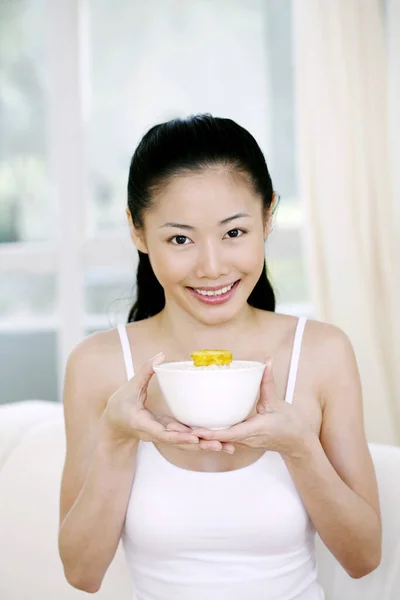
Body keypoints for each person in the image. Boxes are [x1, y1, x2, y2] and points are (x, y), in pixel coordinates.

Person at [58, 114, 382, 599]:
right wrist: (115, 438)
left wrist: (300, 448)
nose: (212, 268)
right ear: (138, 232)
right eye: (180, 239)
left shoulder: (321, 354)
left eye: (234, 233)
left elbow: (364, 558)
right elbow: (82, 573)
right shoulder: (98, 366)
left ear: (268, 217)